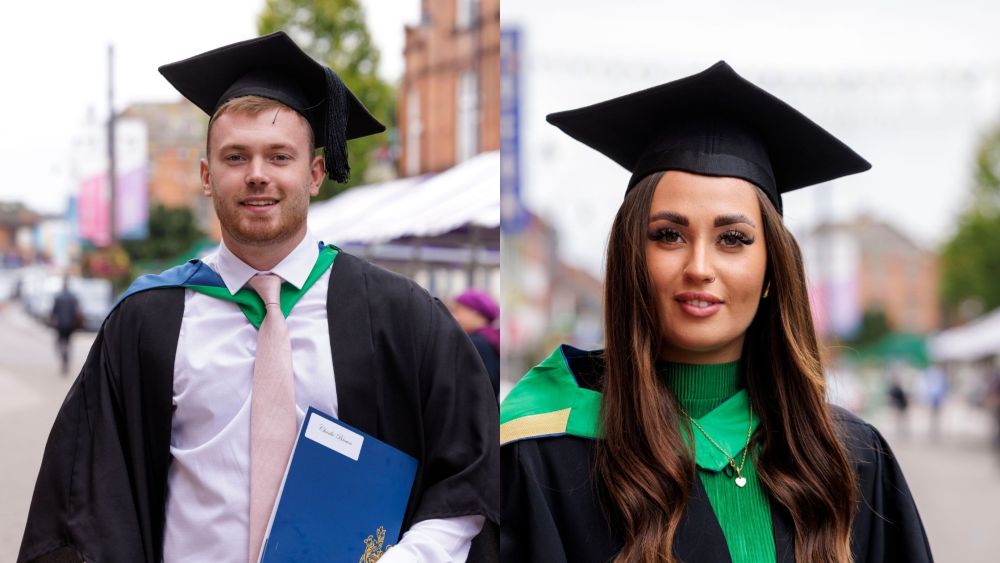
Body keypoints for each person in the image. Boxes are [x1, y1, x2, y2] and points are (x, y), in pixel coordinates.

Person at [19, 32, 498, 563]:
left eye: (279, 156)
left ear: (314, 174)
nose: (257, 175)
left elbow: (469, 475)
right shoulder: (146, 321)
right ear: (206, 176)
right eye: (235, 156)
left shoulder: (401, 317)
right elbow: (85, 500)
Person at [500, 62, 933, 562]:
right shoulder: (545, 453)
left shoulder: (848, 459)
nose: (699, 266)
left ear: (773, 271)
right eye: (668, 235)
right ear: (630, 258)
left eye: (733, 239)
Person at [450, 289, 500, 398]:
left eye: (457, 311)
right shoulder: (492, 338)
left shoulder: (475, 342)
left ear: (475, 312)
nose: (453, 317)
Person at [49, 276, 82, 374]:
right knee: (68, 342)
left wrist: (51, 322)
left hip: (60, 324)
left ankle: (64, 355)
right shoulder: (73, 297)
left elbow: (53, 312)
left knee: (60, 342)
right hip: (71, 324)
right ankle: (66, 356)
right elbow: (77, 311)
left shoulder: (58, 297)